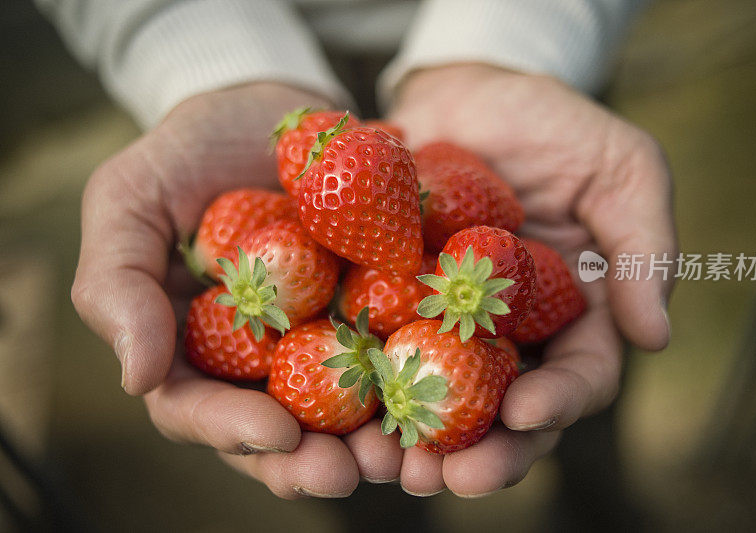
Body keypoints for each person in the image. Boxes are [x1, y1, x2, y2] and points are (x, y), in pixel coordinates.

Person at [39, 0, 676, 499]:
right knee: (339, 473)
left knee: (577, 406)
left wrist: (506, 48)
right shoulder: (336, 244)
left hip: (531, 50)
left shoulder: (418, 221)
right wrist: (207, 62)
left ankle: (596, 497)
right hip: (247, 40)